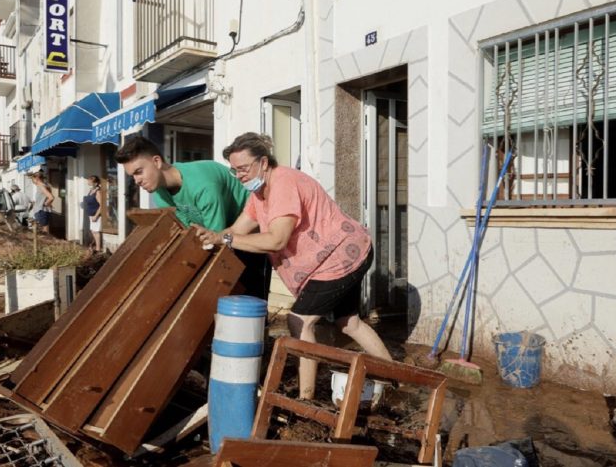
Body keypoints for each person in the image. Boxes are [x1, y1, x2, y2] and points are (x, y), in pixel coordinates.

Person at [197, 132, 392, 399]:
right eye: (234, 171)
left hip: (340, 255)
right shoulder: (259, 195)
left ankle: (306, 398)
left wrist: (227, 238)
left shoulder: (283, 183)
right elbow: (235, 231)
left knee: (299, 321)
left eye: (243, 168)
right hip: (340, 254)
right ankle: (395, 378)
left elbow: (276, 240)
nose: (239, 175)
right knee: (348, 322)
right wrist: (213, 237)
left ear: (263, 162)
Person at [114, 136, 270, 300]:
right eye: (132, 176)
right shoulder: (160, 193)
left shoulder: (202, 185)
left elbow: (216, 240)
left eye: (139, 172)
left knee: (249, 297)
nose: (137, 180)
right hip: (220, 230)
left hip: (250, 226)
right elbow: (189, 233)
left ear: (157, 162)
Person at [84, 175, 103, 252]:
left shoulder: (98, 192)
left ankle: (98, 248)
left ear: (95, 183)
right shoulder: (91, 191)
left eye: (89, 181)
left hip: (96, 214)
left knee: (96, 231)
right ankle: (95, 245)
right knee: (93, 231)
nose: (88, 182)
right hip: (91, 214)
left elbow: (101, 205)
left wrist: (96, 216)